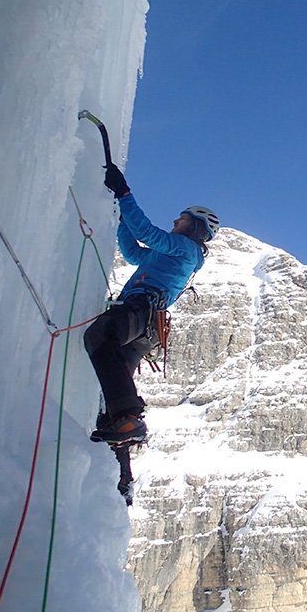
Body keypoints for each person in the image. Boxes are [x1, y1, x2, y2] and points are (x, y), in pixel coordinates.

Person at [85, 160, 219, 447]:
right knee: (115, 378)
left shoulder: (186, 248)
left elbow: (146, 233)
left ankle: (129, 419)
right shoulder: (170, 255)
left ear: (195, 226)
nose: (175, 221)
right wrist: (122, 220)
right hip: (147, 326)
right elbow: (134, 253)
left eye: (181, 218)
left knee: (99, 336)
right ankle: (121, 442)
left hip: (140, 311)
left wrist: (123, 194)